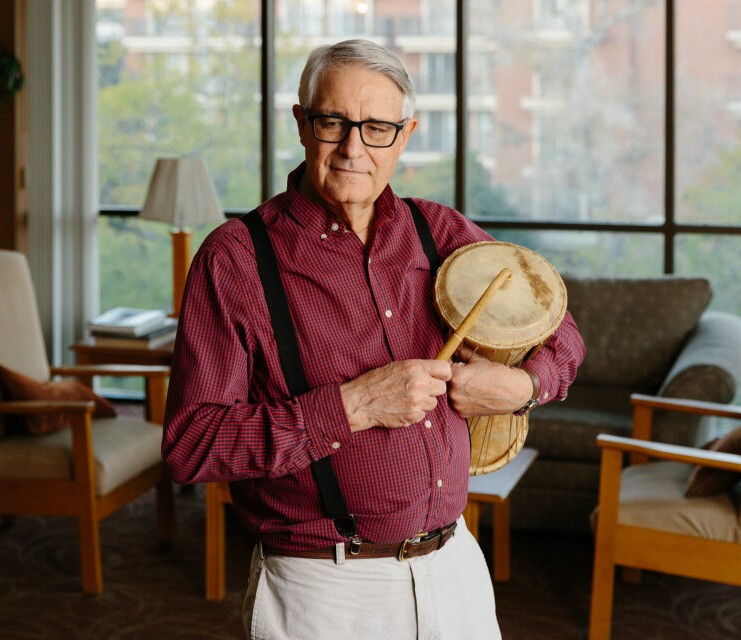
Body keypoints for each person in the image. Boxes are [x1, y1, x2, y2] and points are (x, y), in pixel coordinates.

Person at [162, 39, 585, 640]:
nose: (353, 148)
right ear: (302, 124)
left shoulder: (439, 231)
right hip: (324, 590)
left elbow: (560, 327)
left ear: (405, 135)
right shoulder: (234, 260)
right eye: (333, 122)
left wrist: (522, 387)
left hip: (455, 571)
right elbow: (191, 445)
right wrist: (353, 406)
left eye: (378, 128)